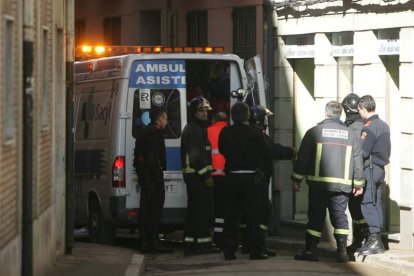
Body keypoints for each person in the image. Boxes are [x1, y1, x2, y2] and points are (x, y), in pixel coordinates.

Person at [292, 101, 365, 263]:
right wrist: (359, 184)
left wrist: (296, 179)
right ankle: (342, 253)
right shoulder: (351, 135)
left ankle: (311, 251)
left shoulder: (314, 132)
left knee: (316, 217)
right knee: (340, 217)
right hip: (342, 186)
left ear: (326, 113)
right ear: (340, 114)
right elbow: (358, 162)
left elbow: (303, 158)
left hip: (319, 184)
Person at [218, 102, 272, 260]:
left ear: (232, 116)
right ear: (247, 115)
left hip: (232, 177)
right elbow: (267, 151)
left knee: (231, 215)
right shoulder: (255, 133)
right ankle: (255, 251)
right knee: (253, 216)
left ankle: (229, 249)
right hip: (251, 178)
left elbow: (222, 150)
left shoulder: (226, 132)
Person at [248, 105, 296, 257]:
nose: (267, 121)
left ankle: (253, 245)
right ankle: (258, 246)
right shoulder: (259, 135)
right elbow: (272, 150)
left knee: (254, 212)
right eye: (265, 118)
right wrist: (291, 152)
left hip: (254, 179)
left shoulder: (251, 133)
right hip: (259, 180)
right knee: (262, 211)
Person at [181, 96, 219, 255]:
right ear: (194, 112)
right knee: (203, 211)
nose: (205, 113)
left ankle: (191, 244)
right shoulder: (195, 130)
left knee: (194, 212)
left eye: (206, 111)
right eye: (201, 110)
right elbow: (196, 157)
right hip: (197, 177)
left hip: (194, 177)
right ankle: (204, 244)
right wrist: (206, 176)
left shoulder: (195, 128)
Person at [133, 108, 173, 254]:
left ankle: (145, 242)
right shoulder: (154, 134)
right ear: (160, 119)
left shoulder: (144, 132)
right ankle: (153, 242)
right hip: (152, 178)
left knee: (146, 210)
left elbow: (139, 158)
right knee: (154, 210)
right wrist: (156, 177)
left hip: (146, 177)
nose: (167, 122)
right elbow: (150, 159)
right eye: (166, 118)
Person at [357, 95, 391, 255]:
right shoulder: (384, 125)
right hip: (379, 169)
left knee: (367, 203)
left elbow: (363, 152)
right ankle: (376, 239)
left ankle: (375, 240)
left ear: (363, 109)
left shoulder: (369, 126)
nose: (359, 114)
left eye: (359, 110)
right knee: (376, 202)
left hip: (369, 169)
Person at [341, 93, 369, 258]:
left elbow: (356, 156)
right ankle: (360, 240)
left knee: (357, 210)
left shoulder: (353, 129)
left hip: (356, 176)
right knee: (357, 209)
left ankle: (362, 240)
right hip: (361, 175)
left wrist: (357, 181)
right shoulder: (362, 125)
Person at [207, 111, 229, 249]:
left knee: (209, 208)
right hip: (226, 176)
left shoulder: (207, 131)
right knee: (222, 209)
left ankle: (208, 235)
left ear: (213, 119)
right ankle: (220, 238)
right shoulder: (230, 132)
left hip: (210, 175)